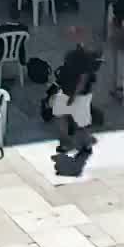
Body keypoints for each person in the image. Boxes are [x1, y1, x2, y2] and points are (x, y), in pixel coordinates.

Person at [52, 27, 99, 156]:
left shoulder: (77, 57)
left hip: (76, 94)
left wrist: (73, 96)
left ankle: (73, 144)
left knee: (75, 120)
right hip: (75, 93)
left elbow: (82, 80)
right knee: (71, 118)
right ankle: (78, 144)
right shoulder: (87, 58)